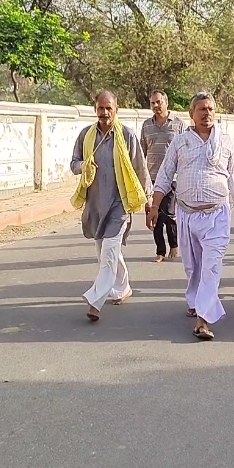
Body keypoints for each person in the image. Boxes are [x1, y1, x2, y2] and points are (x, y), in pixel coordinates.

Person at [148, 92, 234, 341]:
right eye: (202, 109)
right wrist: (154, 206)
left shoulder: (226, 142)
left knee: (211, 266)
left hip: (217, 215)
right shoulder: (180, 141)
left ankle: (203, 319)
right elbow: (165, 175)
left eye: (211, 109)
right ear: (191, 114)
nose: (207, 113)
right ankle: (195, 300)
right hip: (186, 214)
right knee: (193, 267)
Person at [71, 91, 152, 322]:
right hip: (96, 204)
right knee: (106, 252)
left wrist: (149, 202)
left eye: (109, 108)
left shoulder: (126, 135)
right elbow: (73, 164)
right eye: (101, 108)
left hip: (120, 204)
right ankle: (123, 287)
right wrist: (83, 166)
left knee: (108, 252)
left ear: (116, 109)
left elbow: (140, 168)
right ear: (95, 109)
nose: (105, 113)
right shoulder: (86, 135)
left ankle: (95, 301)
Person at [141, 89, 187, 262]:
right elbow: (142, 152)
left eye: (158, 102)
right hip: (152, 177)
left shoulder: (178, 125)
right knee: (156, 216)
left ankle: (174, 244)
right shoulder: (147, 126)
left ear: (166, 103)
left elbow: (185, 150)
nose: (156, 106)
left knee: (169, 213)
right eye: (152, 103)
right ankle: (160, 251)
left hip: (172, 178)